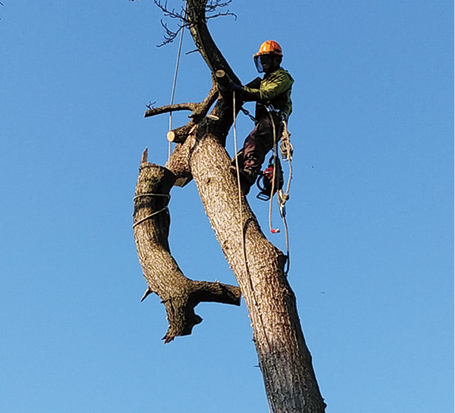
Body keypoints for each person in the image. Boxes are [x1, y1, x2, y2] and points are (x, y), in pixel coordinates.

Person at [229, 40, 294, 194]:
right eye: (261, 60)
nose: (263, 64)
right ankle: (241, 185)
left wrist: (241, 91)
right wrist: (234, 90)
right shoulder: (263, 81)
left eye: (266, 60)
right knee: (243, 154)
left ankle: (250, 172)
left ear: (275, 60)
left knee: (254, 140)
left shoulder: (282, 77)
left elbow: (266, 94)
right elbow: (250, 90)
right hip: (266, 122)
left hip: (274, 119)